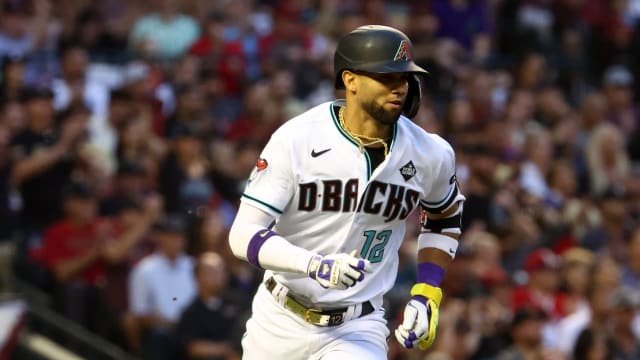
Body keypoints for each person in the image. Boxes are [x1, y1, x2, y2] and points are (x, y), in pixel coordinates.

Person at [228, 25, 465, 359]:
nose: (400, 87)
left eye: (406, 78)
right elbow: (242, 235)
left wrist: (426, 292)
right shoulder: (297, 138)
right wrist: (314, 264)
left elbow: (442, 220)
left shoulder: (431, 153)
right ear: (350, 80)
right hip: (280, 319)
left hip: (357, 324)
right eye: (387, 77)